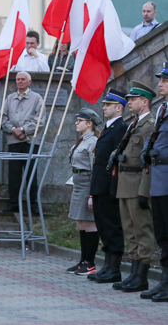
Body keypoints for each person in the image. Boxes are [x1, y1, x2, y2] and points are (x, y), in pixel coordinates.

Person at [111, 81, 156, 292]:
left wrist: (144, 190)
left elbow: (148, 162)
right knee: (130, 231)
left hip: (138, 182)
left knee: (142, 230)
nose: (129, 102)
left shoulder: (150, 126)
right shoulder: (134, 123)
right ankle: (134, 273)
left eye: (133, 99)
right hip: (125, 182)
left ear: (145, 102)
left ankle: (142, 276)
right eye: (129, 99)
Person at [88, 89, 128, 280]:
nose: (104, 108)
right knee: (103, 226)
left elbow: (116, 161)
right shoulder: (108, 127)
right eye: (104, 104)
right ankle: (107, 265)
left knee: (112, 226)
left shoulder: (120, 128)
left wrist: (113, 186)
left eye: (108, 105)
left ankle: (114, 268)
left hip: (109, 185)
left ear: (119, 108)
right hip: (99, 184)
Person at [140, 63, 168, 302]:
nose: (160, 84)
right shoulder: (162, 109)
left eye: (165, 81)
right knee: (162, 234)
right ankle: (164, 282)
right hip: (159, 180)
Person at [1, 72, 44, 213]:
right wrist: (13, 130)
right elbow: (3, 118)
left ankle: (33, 205)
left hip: (30, 141)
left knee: (31, 173)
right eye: (17, 79)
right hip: (13, 141)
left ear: (29, 82)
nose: (19, 81)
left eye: (22, 79)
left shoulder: (37, 98)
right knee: (13, 174)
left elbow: (40, 120)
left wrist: (24, 130)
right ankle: (13, 203)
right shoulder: (9, 98)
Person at [66, 108, 100, 275]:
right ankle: (82, 261)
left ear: (89, 123)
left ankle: (90, 262)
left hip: (87, 184)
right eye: (77, 120)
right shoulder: (81, 141)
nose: (76, 123)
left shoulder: (93, 142)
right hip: (78, 183)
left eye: (80, 120)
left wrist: (92, 194)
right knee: (80, 221)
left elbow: (95, 169)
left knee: (89, 222)